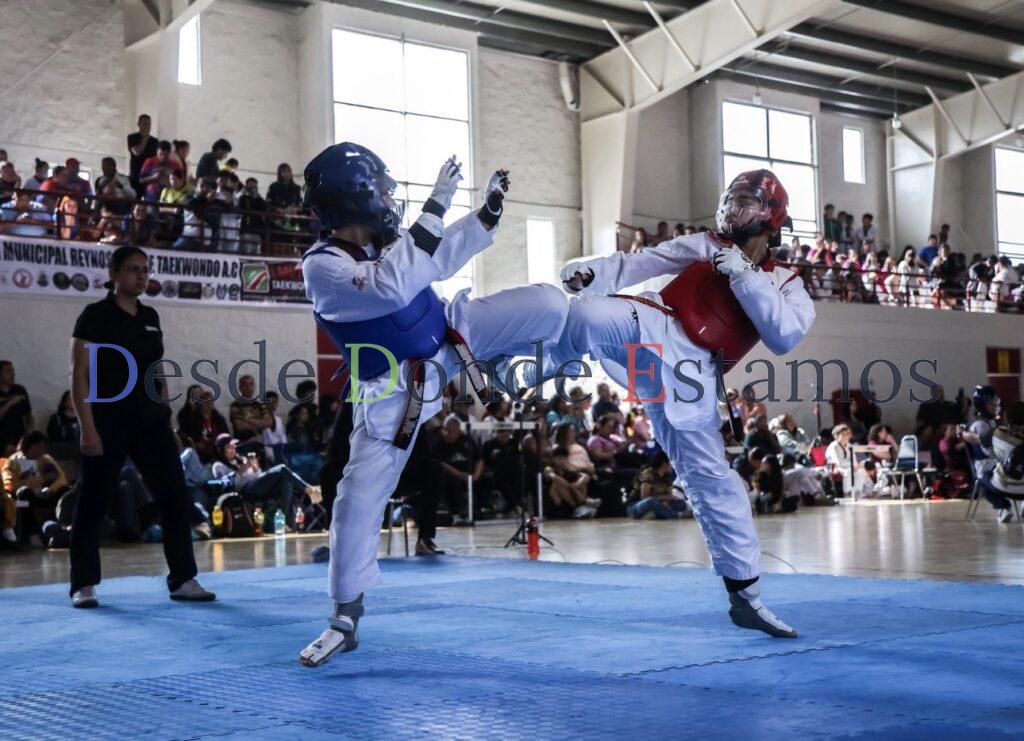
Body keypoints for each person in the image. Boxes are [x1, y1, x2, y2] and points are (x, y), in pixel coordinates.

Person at [298, 142, 568, 667]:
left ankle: (513, 369)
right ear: (352, 199)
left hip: (448, 339)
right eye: (379, 188)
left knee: (550, 304)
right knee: (356, 497)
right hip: (394, 393)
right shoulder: (323, 266)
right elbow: (393, 285)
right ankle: (344, 618)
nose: (387, 197)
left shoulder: (392, 240)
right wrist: (434, 207)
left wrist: (482, 217)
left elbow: (437, 258)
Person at [545, 168, 815, 639]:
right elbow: (644, 262)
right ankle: (504, 354)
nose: (735, 211)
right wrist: (595, 272)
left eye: (748, 203)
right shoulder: (707, 244)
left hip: (691, 375)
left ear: (772, 219)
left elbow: (784, 336)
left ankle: (745, 595)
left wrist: (746, 279)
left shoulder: (786, 281)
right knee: (586, 312)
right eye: (732, 201)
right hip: (653, 328)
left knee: (709, 480)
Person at [68, 245, 215, 608]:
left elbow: (156, 370)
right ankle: (83, 584)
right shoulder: (94, 316)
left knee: (176, 499)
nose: (141, 275)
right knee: (94, 502)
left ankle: (183, 578)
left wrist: (166, 417)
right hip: (107, 421)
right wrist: (88, 428)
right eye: (133, 269)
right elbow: (79, 375)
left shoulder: (150, 316)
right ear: (114, 274)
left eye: (145, 270)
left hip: (152, 422)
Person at [210, 434, 317, 531]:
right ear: (221, 450)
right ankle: (310, 490)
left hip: (256, 486)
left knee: (286, 481)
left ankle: (281, 521)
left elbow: (255, 475)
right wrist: (241, 471)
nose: (233, 450)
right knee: (282, 468)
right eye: (228, 448)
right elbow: (228, 485)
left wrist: (256, 469)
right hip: (243, 492)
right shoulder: (219, 466)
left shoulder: (241, 459)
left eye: (233, 447)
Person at [2, 431, 69, 543]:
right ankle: (32, 533)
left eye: (43, 448)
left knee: (64, 491)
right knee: (24, 493)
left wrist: (52, 488)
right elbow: (11, 486)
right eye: (38, 448)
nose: (41, 451)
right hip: (26, 496)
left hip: (45, 493)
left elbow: (62, 478)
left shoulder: (46, 459)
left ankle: (59, 527)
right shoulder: (13, 462)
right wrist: (41, 479)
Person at [626, 451, 684, 519]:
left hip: (659, 504)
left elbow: (669, 496)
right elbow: (644, 498)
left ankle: (655, 514)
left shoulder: (667, 476)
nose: (673, 466)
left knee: (681, 503)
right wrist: (664, 498)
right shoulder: (648, 474)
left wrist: (666, 500)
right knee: (651, 501)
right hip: (637, 507)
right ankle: (676, 515)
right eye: (671, 463)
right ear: (664, 464)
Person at [0, 360, 32, 455]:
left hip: (19, 436)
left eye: (13, 371)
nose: (13, 374)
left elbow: (28, 414)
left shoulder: (19, 390)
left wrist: (29, 433)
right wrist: (10, 402)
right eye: (9, 371)